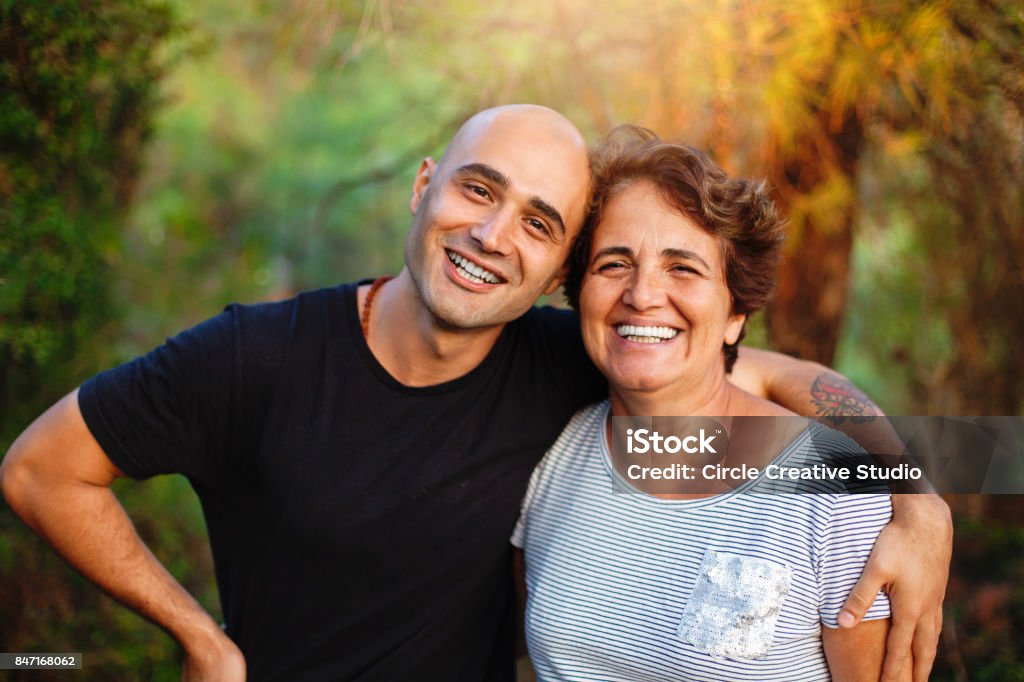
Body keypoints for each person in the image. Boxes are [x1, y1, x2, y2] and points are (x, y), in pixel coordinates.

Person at [0, 106, 948, 681]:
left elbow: (747, 368)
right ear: (424, 185)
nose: (495, 235)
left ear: (552, 267)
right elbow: (39, 470)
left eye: (538, 222)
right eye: (478, 191)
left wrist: (918, 493)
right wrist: (198, 636)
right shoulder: (258, 357)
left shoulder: (571, 363)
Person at [513, 128, 908, 680]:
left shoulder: (834, 488)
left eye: (683, 268)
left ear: (735, 315)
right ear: (579, 294)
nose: (643, 294)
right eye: (613, 264)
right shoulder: (558, 455)